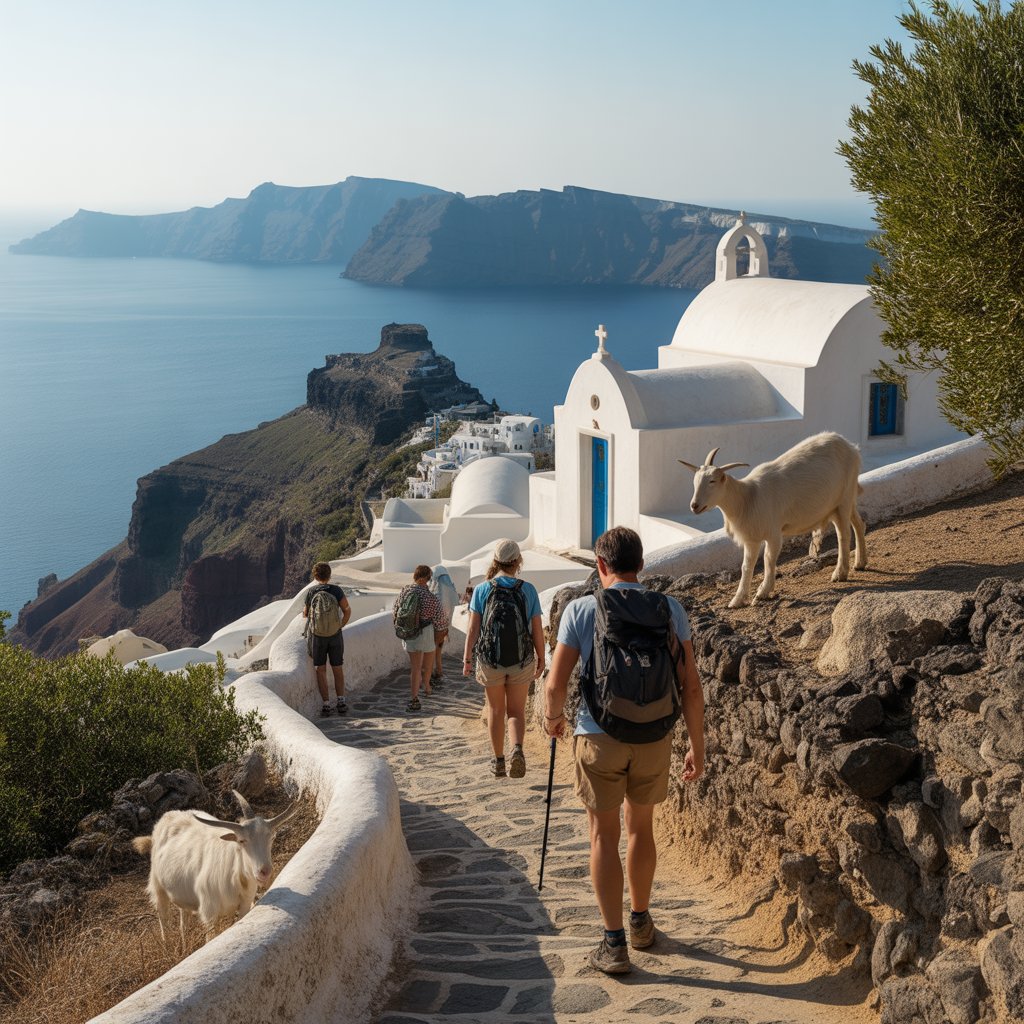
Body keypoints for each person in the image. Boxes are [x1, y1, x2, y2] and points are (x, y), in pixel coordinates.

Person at [544, 526, 705, 975]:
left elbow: (556, 684)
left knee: (603, 836)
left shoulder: (581, 609)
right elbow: (691, 687)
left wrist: (552, 720)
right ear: (641, 564)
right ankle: (641, 922)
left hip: (598, 735)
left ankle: (613, 944)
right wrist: (697, 746)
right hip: (655, 736)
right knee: (641, 830)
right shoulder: (670, 609)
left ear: (600, 566)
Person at [463, 539, 545, 779]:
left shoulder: (482, 589)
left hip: (491, 661)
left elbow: (472, 629)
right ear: (518, 561)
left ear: (495, 561)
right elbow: (537, 629)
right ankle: (517, 749)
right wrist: (541, 657)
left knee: (496, 710)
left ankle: (498, 761)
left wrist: (468, 659)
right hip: (521, 660)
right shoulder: (528, 590)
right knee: (517, 711)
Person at [302, 562, 352, 717]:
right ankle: (341, 701)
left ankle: (326, 704)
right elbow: (347, 610)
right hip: (335, 635)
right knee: (337, 668)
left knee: (320, 670)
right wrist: (340, 625)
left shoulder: (311, 592)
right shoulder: (336, 590)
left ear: (315, 576)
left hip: (318, 637)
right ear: (329, 575)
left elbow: (305, 614)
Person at [401, 564, 449, 712]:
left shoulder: (404, 592)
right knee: (427, 665)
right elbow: (440, 619)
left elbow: (395, 612)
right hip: (426, 633)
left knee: (415, 667)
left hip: (409, 633)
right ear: (427, 579)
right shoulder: (430, 597)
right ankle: (427, 687)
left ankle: (414, 698)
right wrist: (443, 631)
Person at [427, 564, 459, 690]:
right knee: (439, 648)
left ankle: (431, 675)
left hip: (434, 626)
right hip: (444, 626)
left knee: (432, 649)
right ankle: (439, 671)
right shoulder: (450, 589)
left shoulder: (434, 590)